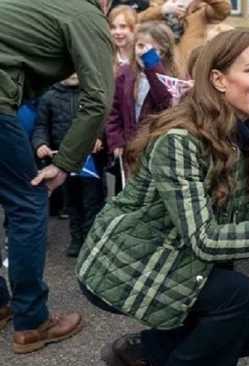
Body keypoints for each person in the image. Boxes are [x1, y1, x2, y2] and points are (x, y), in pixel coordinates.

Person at [76, 30, 249, 366]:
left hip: (176, 256)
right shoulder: (181, 140)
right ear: (218, 80)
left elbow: (242, 217)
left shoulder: (242, 135)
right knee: (237, 295)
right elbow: (205, 240)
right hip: (128, 264)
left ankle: (143, 351)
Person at [0, 0, 114, 354]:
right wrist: (65, 163)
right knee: (29, 201)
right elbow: (97, 98)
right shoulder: (85, 14)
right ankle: (32, 322)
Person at [31, 74, 107, 258]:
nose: (73, 74)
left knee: (93, 201)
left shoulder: (91, 95)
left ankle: (91, 240)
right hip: (63, 159)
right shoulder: (49, 97)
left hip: (91, 160)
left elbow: (102, 118)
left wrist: (99, 136)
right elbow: (41, 125)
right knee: (71, 201)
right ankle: (76, 239)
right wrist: (40, 144)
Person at [105, 21, 177, 193]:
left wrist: (152, 64)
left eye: (153, 49)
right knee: (131, 192)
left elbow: (165, 100)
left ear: (164, 50)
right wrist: (116, 141)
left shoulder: (171, 76)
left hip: (156, 148)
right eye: (141, 46)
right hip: (130, 147)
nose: (145, 52)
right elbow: (113, 112)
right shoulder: (125, 74)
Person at [138, 0, 232, 68]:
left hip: (189, 67)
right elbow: (138, 19)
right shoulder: (159, 4)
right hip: (161, 66)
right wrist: (162, 10)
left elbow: (223, 10)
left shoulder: (201, 9)